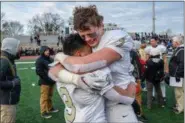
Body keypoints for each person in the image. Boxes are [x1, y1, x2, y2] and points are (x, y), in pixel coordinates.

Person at [50, 5, 137, 122]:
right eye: (83, 36)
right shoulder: (89, 69)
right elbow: (53, 71)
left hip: (117, 105)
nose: (87, 39)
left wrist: (60, 56)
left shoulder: (117, 37)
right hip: (101, 100)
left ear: (101, 24)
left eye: (90, 34)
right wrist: (75, 79)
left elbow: (78, 66)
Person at [0, 38, 21, 123]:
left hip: (7, 100)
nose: (19, 49)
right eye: (17, 47)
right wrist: (13, 83)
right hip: (6, 103)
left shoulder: (7, 59)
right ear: (10, 48)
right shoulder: (4, 61)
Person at [145, 36, 168, 109]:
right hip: (151, 68)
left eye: (153, 41)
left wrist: (166, 69)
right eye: (151, 41)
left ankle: (163, 97)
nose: (151, 42)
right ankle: (153, 96)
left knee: (161, 83)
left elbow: (165, 59)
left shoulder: (162, 48)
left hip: (159, 67)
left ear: (156, 41)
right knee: (151, 83)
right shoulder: (148, 48)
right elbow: (146, 59)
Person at [35, 46, 59, 119]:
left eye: (48, 50)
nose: (48, 52)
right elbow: (39, 72)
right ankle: (43, 112)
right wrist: (48, 78)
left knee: (50, 96)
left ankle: (50, 108)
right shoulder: (39, 60)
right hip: (45, 82)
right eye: (46, 51)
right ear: (42, 51)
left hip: (52, 81)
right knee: (44, 97)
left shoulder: (51, 59)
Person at [169, 36, 184, 114]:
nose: (172, 43)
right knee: (178, 92)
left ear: (177, 43)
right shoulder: (179, 50)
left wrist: (178, 75)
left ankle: (180, 108)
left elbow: (182, 64)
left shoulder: (181, 50)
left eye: (173, 41)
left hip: (179, 76)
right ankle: (179, 106)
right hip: (177, 75)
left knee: (179, 93)